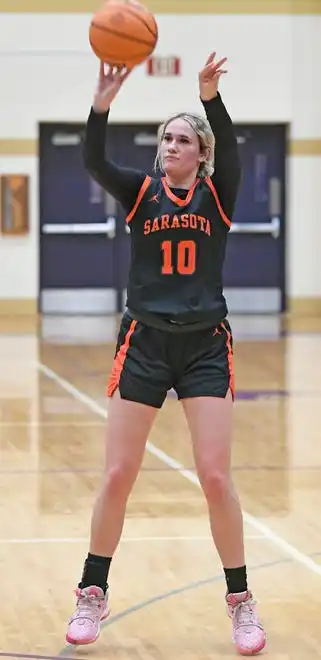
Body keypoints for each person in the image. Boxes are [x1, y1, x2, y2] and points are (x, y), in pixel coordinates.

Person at [65, 50, 267, 656]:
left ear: (200, 153)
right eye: (165, 139)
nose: (170, 147)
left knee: (213, 476)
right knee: (119, 474)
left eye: (182, 140)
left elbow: (230, 148)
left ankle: (240, 601)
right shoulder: (141, 192)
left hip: (205, 345)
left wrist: (210, 97)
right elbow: (94, 159)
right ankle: (92, 591)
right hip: (145, 343)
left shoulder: (218, 195)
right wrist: (102, 103)